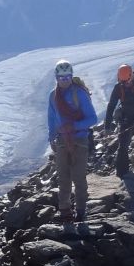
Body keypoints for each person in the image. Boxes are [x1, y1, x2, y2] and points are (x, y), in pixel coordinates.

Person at [47, 60, 97, 222]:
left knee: (78, 176)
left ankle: (81, 210)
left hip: (80, 139)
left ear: (72, 76)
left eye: (67, 77)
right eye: (61, 78)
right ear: (56, 78)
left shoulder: (79, 93)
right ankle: (65, 210)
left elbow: (93, 118)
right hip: (62, 140)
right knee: (63, 176)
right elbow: (51, 118)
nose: (65, 80)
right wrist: (52, 137)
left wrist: (72, 126)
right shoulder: (53, 96)